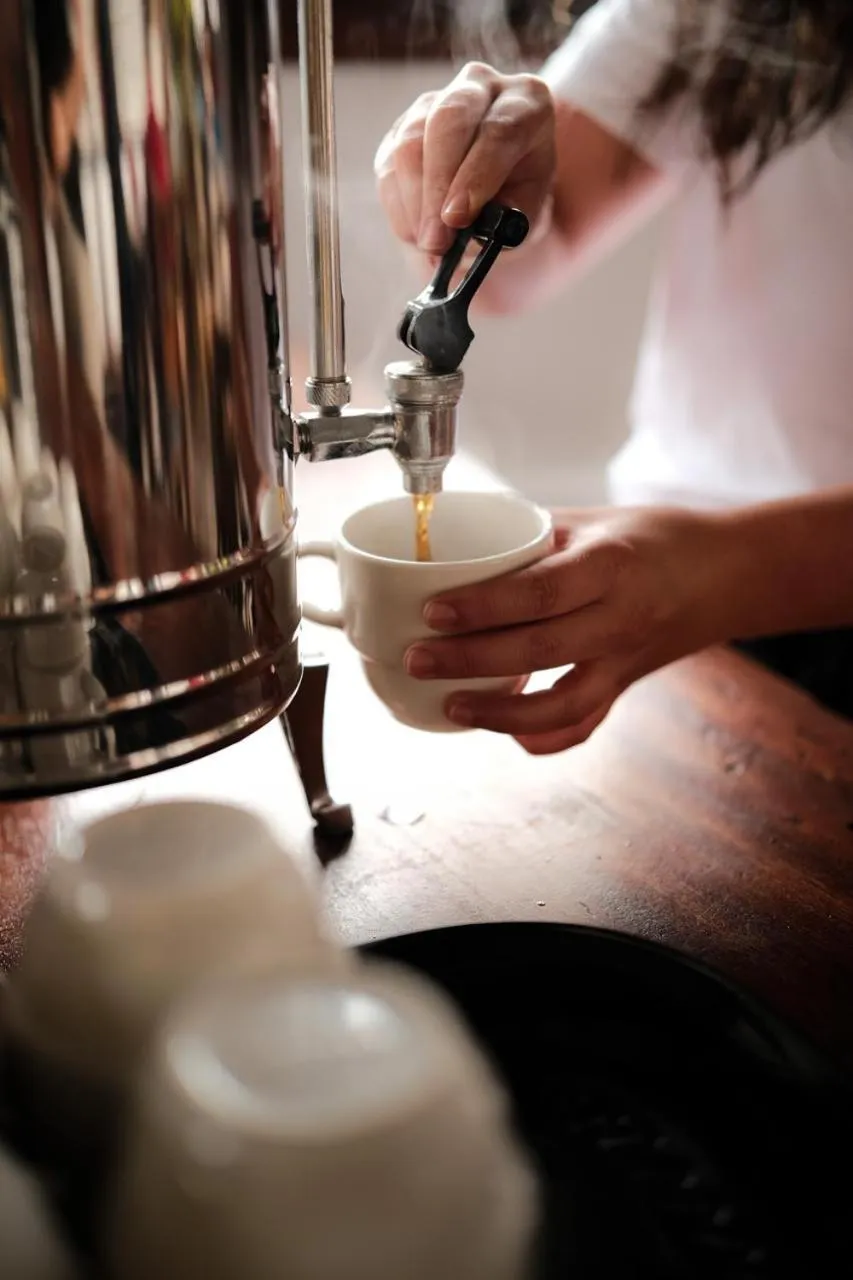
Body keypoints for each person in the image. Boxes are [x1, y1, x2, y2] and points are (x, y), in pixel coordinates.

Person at [374, 0, 853, 756]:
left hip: (694, 588)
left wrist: (722, 572)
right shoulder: (710, 13)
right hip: (674, 614)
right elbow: (514, 264)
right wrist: (464, 186)